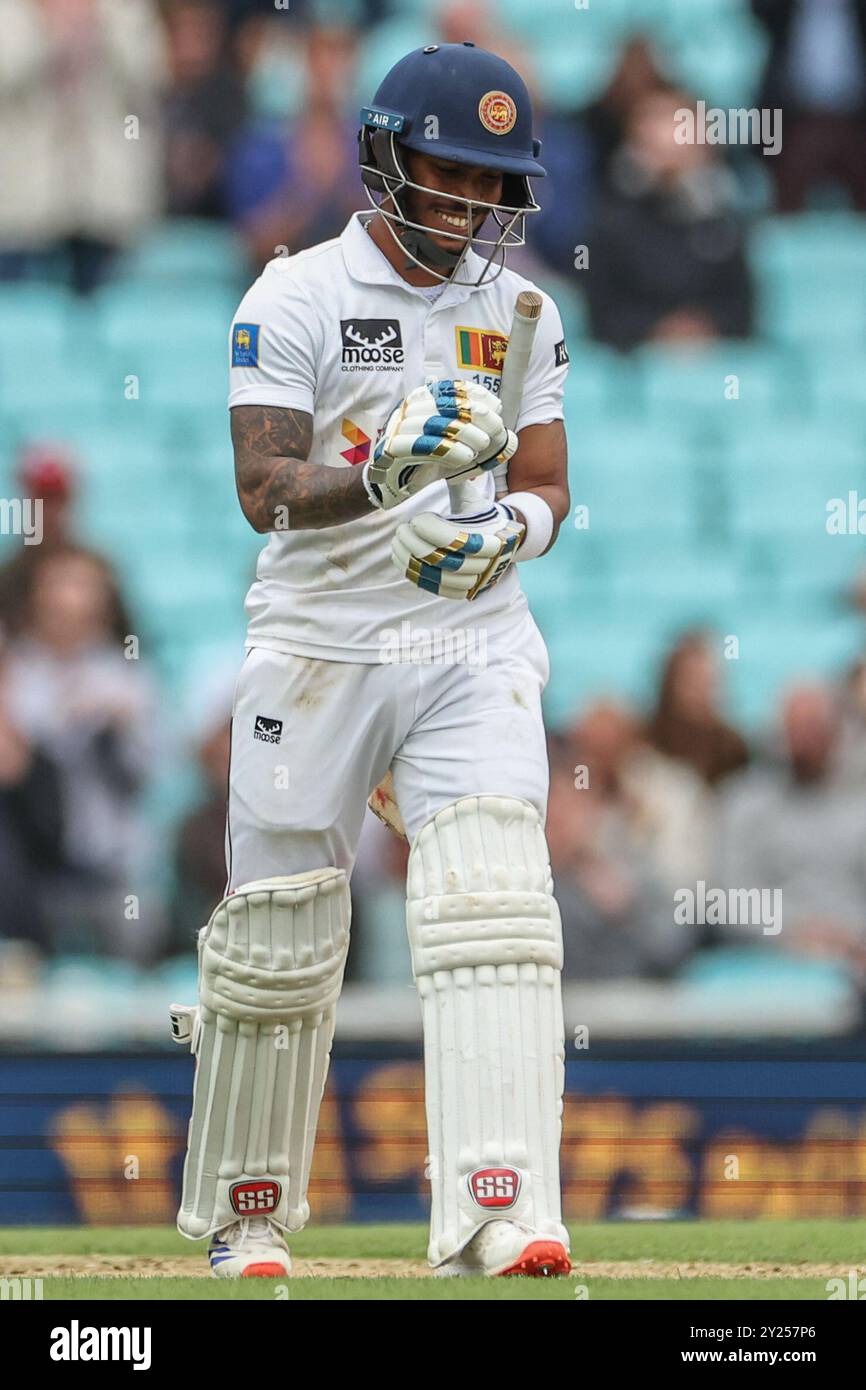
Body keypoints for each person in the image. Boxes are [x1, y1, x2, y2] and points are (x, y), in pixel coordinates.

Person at [172, 42, 572, 1280]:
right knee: (282, 925)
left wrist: (512, 526)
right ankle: (248, 1212)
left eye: (488, 185)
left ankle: (497, 1207)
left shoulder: (519, 312)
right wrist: (378, 480)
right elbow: (263, 492)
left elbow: (552, 482)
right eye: (445, 173)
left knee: (494, 902)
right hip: (318, 642)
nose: (465, 207)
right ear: (385, 156)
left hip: (470, 636)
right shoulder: (288, 296)